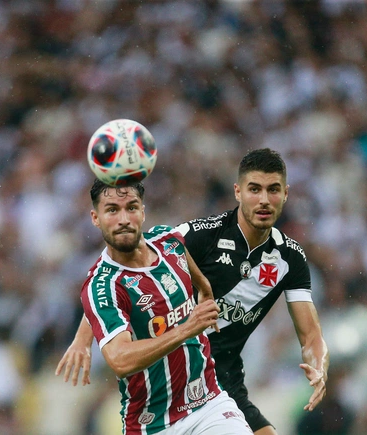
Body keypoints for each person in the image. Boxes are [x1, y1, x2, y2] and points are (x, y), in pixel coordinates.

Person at [58, 149, 328, 434]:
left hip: (213, 387)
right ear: (238, 192)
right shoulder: (199, 234)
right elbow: (112, 284)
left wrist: (318, 366)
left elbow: (311, 336)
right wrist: (82, 339)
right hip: (153, 415)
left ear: (285, 194)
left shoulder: (291, 257)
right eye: (254, 189)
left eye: (272, 190)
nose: (263, 200)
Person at [77, 179, 252, 435]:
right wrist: (186, 328)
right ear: (96, 217)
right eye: (112, 210)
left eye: (132, 207)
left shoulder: (168, 240)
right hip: (151, 424)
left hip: (208, 405)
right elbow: (119, 359)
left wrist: (205, 291)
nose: (124, 218)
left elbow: (194, 272)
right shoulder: (103, 286)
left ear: (143, 211)